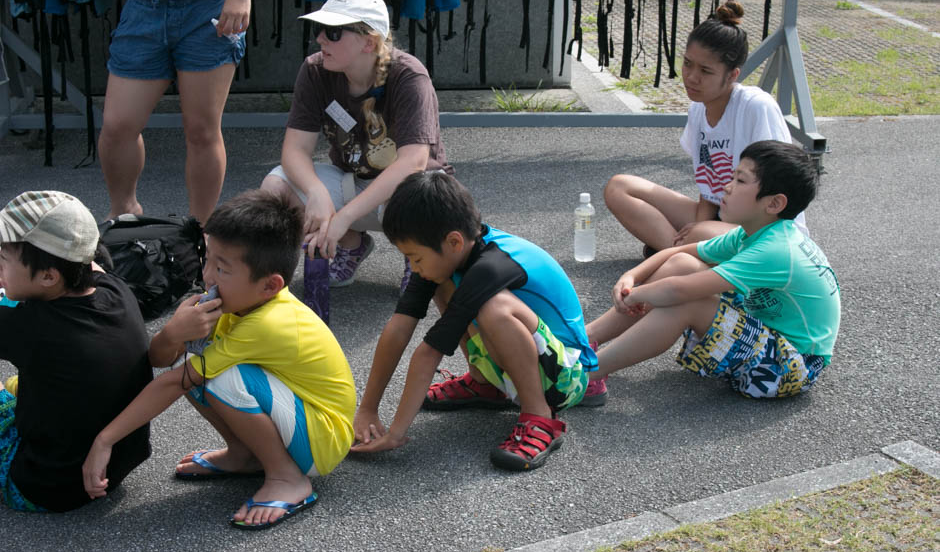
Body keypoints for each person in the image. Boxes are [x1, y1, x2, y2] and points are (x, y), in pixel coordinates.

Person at [82, 190, 357, 530]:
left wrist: (105, 440)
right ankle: (243, 455)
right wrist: (174, 332)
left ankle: (288, 478)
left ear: (270, 285)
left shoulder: (268, 322)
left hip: (322, 439)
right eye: (207, 259)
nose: (207, 276)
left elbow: (175, 382)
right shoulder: (238, 300)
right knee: (195, 365)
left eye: (222, 268)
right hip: (299, 421)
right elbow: (160, 359)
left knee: (221, 376)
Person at [350, 172, 597, 470]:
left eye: (416, 258)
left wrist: (395, 434)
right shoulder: (450, 251)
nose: (414, 268)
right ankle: (484, 384)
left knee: (494, 308)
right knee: (443, 282)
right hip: (532, 363)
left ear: (454, 241)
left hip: (567, 377)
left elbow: (429, 353)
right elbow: (399, 327)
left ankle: (540, 417)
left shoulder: (492, 266)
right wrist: (367, 409)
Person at [587, 141, 840, 400]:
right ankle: (586, 338)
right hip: (768, 330)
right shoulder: (752, 233)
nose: (727, 187)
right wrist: (631, 277)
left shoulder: (776, 250)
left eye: (740, 181)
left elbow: (678, 290)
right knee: (683, 265)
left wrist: (635, 294)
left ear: (774, 204)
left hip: (793, 365)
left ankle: (585, 374)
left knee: (687, 302)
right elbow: (679, 253)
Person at [261, 0, 451, 289]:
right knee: (275, 187)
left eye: (333, 32)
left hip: (409, 194)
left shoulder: (409, 76)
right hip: (353, 180)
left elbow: (413, 163)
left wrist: (344, 216)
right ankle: (351, 246)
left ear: (369, 42)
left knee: (419, 192)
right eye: (319, 28)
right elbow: (295, 150)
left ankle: (417, 259)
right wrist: (316, 192)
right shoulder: (315, 71)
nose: (320, 38)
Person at [604, 1, 806, 257]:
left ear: (732, 75)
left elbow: (778, 193)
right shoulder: (698, 109)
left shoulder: (756, 106)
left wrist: (703, 231)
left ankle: (679, 255)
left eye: (705, 71)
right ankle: (684, 256)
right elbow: (708, 189)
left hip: (763, 230)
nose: (691, 77)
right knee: (619, 187)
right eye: (688, 63)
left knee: (698, 235)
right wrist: (701, 226)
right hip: (723, 219)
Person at [0, 191, 152, 512]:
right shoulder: (115, 290)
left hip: (41, 484)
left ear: (48, 275)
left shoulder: (30, 327)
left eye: (2, 259)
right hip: (113, 469)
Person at [98, 0, 251, 225]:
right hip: (146, 5)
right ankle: (123, 213)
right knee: (117, 126)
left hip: (210, 2)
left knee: (202, 130)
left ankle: (199, 229)